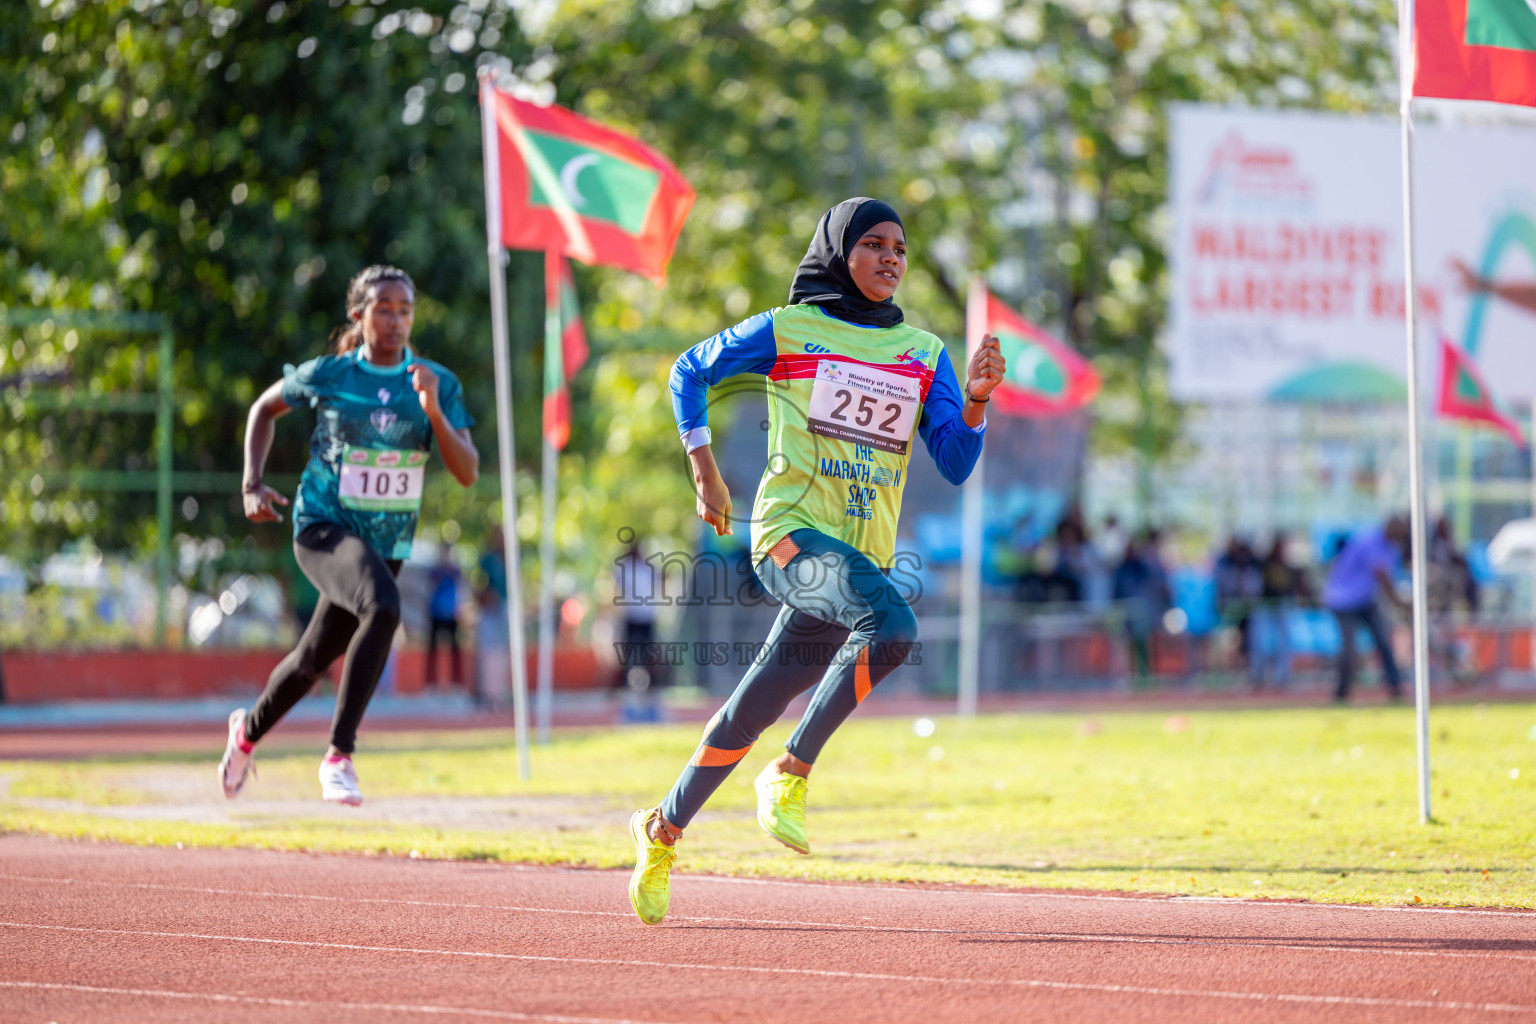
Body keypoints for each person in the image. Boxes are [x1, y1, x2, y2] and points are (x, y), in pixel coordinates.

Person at [627, 198, 1004, 925]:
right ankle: (791, 772)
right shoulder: (791, 328)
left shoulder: (924, 353)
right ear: (838, 252)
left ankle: (660, 830)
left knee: (753, 706)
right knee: (893, 629)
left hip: (856, 562)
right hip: (788, 537)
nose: (892, 257)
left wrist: (981, 400)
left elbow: (955, 459)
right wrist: (704, 468)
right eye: (874, 244)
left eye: (900, 247)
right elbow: (688, 371)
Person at [219, 265, 478, 805]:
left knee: (312, 659)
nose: (396, 320)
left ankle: (245, 735)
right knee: (383, 609)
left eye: (405, 310)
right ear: (359, 316)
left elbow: (467, 469)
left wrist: (432, 410)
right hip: (322, 528)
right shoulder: (332, 375)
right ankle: (339, 755)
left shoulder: (435, 382)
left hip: (387, 543)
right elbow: (263, 409)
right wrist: (252, 484)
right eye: (383, 308)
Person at [1322, 515, 1410, 703]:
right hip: (1343, 600)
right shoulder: (1369, 540)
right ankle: (1341, 694)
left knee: (1383, 642)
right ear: (1390, 528)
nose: (1400, 538)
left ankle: (1395, 688)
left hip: (1364, 599)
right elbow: (1383, 577)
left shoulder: (1390, 546)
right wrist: (1401, 603)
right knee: (1348, 648)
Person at [425, 544, 465, 687]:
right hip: (436, 613)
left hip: (451, 614)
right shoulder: (435, 571)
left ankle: (456, 681)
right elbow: (430, 588)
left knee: (454, 648)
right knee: (433, 648)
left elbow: (460, 590)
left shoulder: (455, 571)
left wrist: (459, 609)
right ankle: (430, 682)